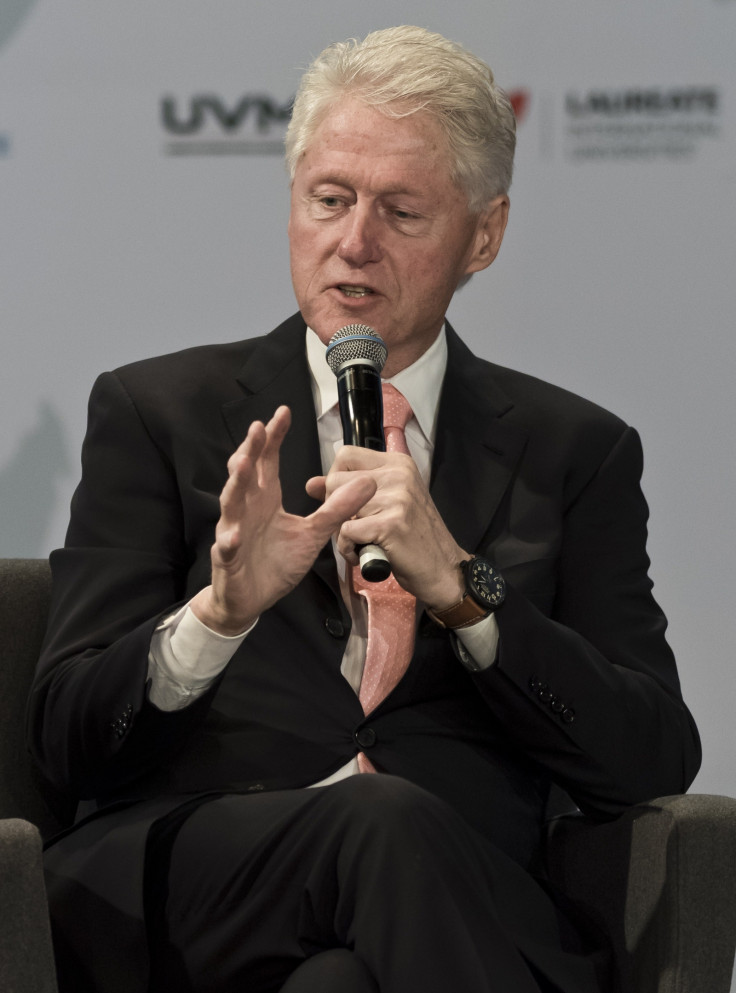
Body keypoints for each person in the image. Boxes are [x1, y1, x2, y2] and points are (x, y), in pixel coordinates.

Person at [28, 25, 700, 993]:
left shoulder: (574, 453)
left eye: (401, 211)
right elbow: (64, 738)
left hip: (442, 897)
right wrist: (216, 617)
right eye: (330, 200)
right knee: (382, 821)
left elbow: (648, 757)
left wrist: (470, 598)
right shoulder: (156, 413)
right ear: (292, 205)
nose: (354, 242)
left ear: (484, 234)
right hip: (204, 882)